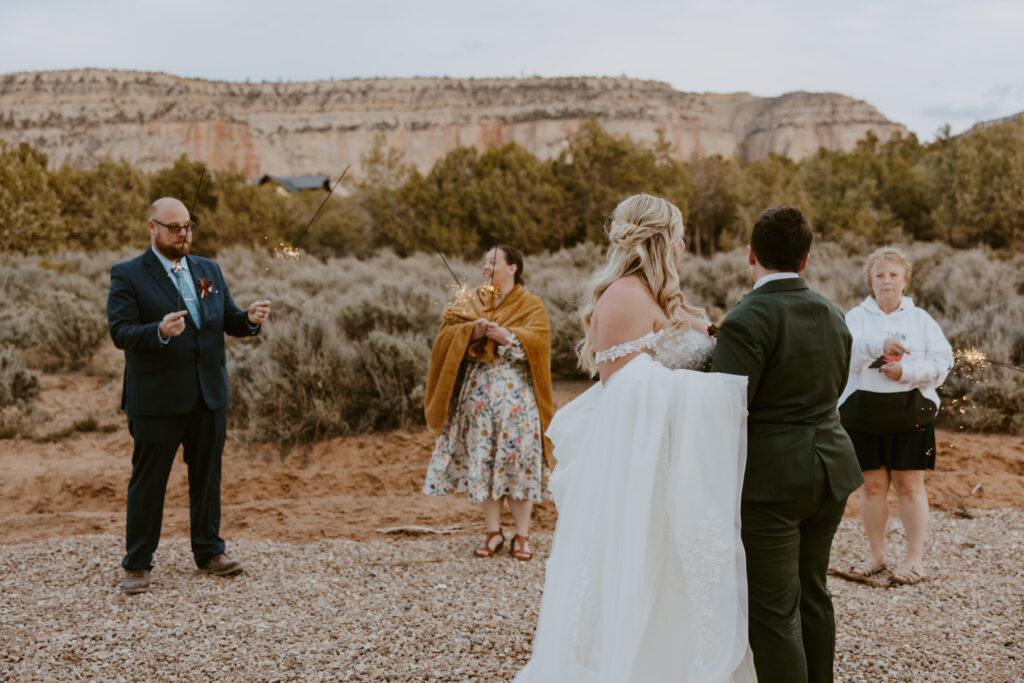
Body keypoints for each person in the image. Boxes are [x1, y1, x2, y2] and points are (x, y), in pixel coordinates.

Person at [515, 194, 756, 682]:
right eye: (680, 235)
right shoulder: (625, 295)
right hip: (643, 465)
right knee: (645, 569)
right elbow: (625, 390)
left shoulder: (655, 294)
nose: (686, 244)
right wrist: (715, 392)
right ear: (663, 240)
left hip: (667, 463)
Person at [710, 206, 864, 683]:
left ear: (751, 255)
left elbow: (727, 406)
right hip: (831, 469)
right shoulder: (833, 313)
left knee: (774, 611)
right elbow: (836, 387)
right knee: (813, 592)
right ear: (806, 259)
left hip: (774, 482)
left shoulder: (745, 319)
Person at [107, 197, 271, 594]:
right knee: (149, 481)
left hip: (208, 395)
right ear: (152, 227)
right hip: (157, 400)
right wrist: (159, 332)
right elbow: (121, 331)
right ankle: (138, 564)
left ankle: (210, 552)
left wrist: (247, 320)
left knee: (207, 476)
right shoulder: (128, 274)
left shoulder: (206, 269)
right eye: (174, 227)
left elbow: (224, 318)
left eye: (188, 226)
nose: (183, 234)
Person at [423, 245, 553, 561]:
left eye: (493, 261)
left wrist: (505, 336)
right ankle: (493, 532)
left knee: (518, 463)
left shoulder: (531, 305)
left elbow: (538, 343)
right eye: (484, 261)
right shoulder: (470, 302)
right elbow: (446, 334)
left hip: (518, 405)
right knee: (485, 461)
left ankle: (522, 536)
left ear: (513, 268)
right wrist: (471, 331)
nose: (486, 267)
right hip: (477, 402)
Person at [838, 247, 953, 585]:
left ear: (905, 281)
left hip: (911, 412)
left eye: (893, 275)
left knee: (909, 485)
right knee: (873, 487)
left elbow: (943, 362)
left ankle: (914, 559)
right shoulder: (856, 318)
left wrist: (907, 371)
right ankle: (876, 555)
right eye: (879, 275)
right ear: (870, 282)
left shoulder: (922, 321)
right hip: (863, 413)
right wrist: (881, 345)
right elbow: (847, 353)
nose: (886, 281)